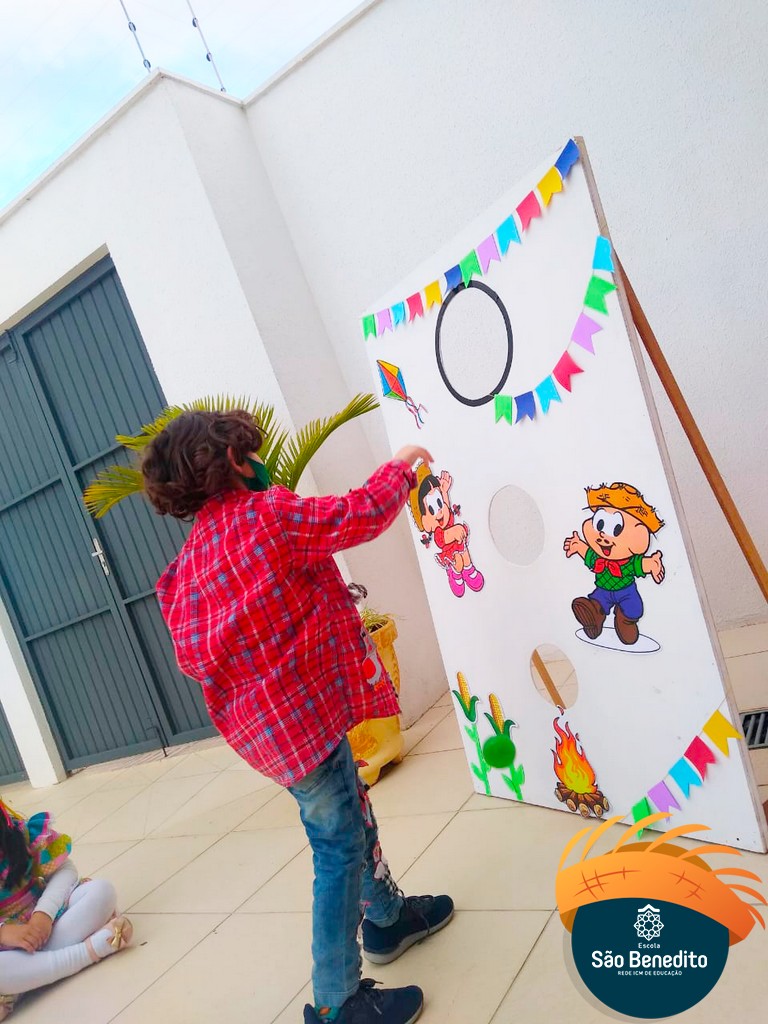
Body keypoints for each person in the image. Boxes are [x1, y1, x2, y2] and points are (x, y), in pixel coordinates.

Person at [143, 410, 454, 1024]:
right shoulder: (269, 516)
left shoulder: (184, 569)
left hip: (267, 733)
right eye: (251, 452)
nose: (260, 461)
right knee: (336, 848)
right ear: (234, 461)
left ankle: (387, 918)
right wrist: (401, 467)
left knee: (349, 813)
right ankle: (337, 1001)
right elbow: (359, 514)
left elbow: (192, 656)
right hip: (302, 719)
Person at [0, 801, 132, 1019]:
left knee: (102, 891)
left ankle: (20, 985)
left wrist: (44, 913)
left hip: (48, 922)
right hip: (7, 949)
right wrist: (4, 932)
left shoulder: (19, 834)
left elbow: (65, 870)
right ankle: (90, 950)